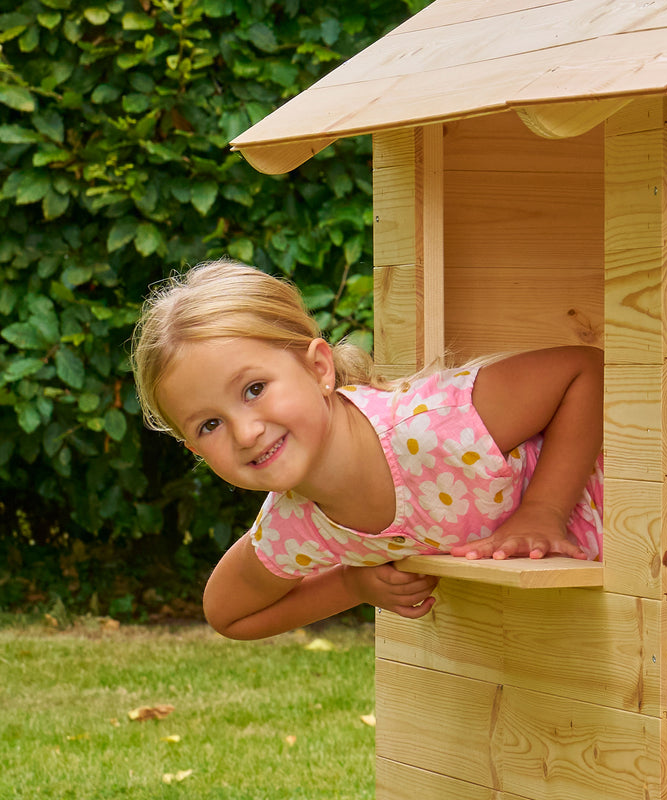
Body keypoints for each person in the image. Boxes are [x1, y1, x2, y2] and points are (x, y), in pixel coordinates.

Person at [131, 259, 603, 640]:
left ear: (318, 368)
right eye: (210, 424)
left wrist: (544, 511)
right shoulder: (296, 525)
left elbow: (586, 370)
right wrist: (348, 584)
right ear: (194, 448)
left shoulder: (436, 424)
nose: (245, 432)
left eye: (254, 389)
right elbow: (228, 615)